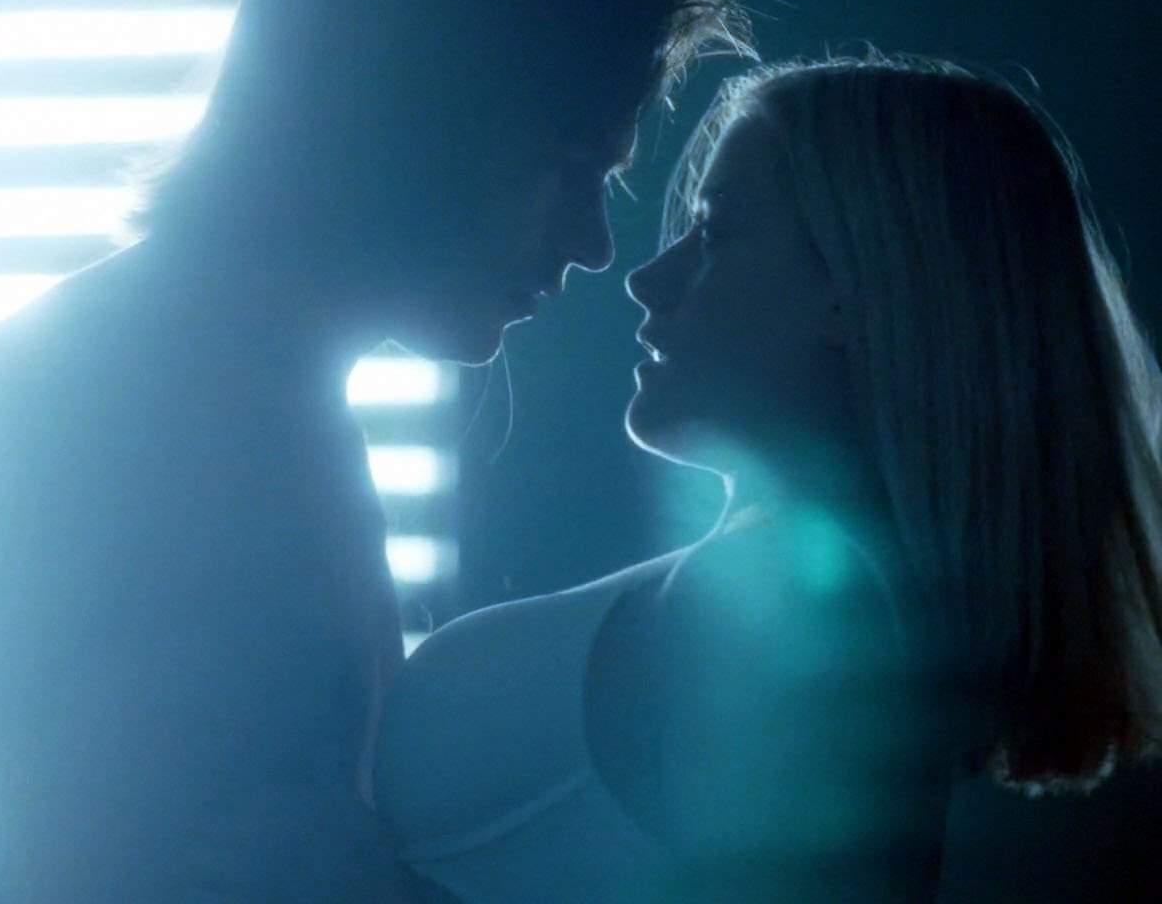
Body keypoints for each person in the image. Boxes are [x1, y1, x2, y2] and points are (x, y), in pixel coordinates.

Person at [0, 0, 744, 900]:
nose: (594, 243)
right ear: (428, 116)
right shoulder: (101, 388)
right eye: (569, 168)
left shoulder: (272, 401)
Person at [373, 56, 1162, 902]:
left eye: (716, 231)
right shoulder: (816, 613)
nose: (647, 280)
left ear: (855, 284)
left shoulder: (794, 622)